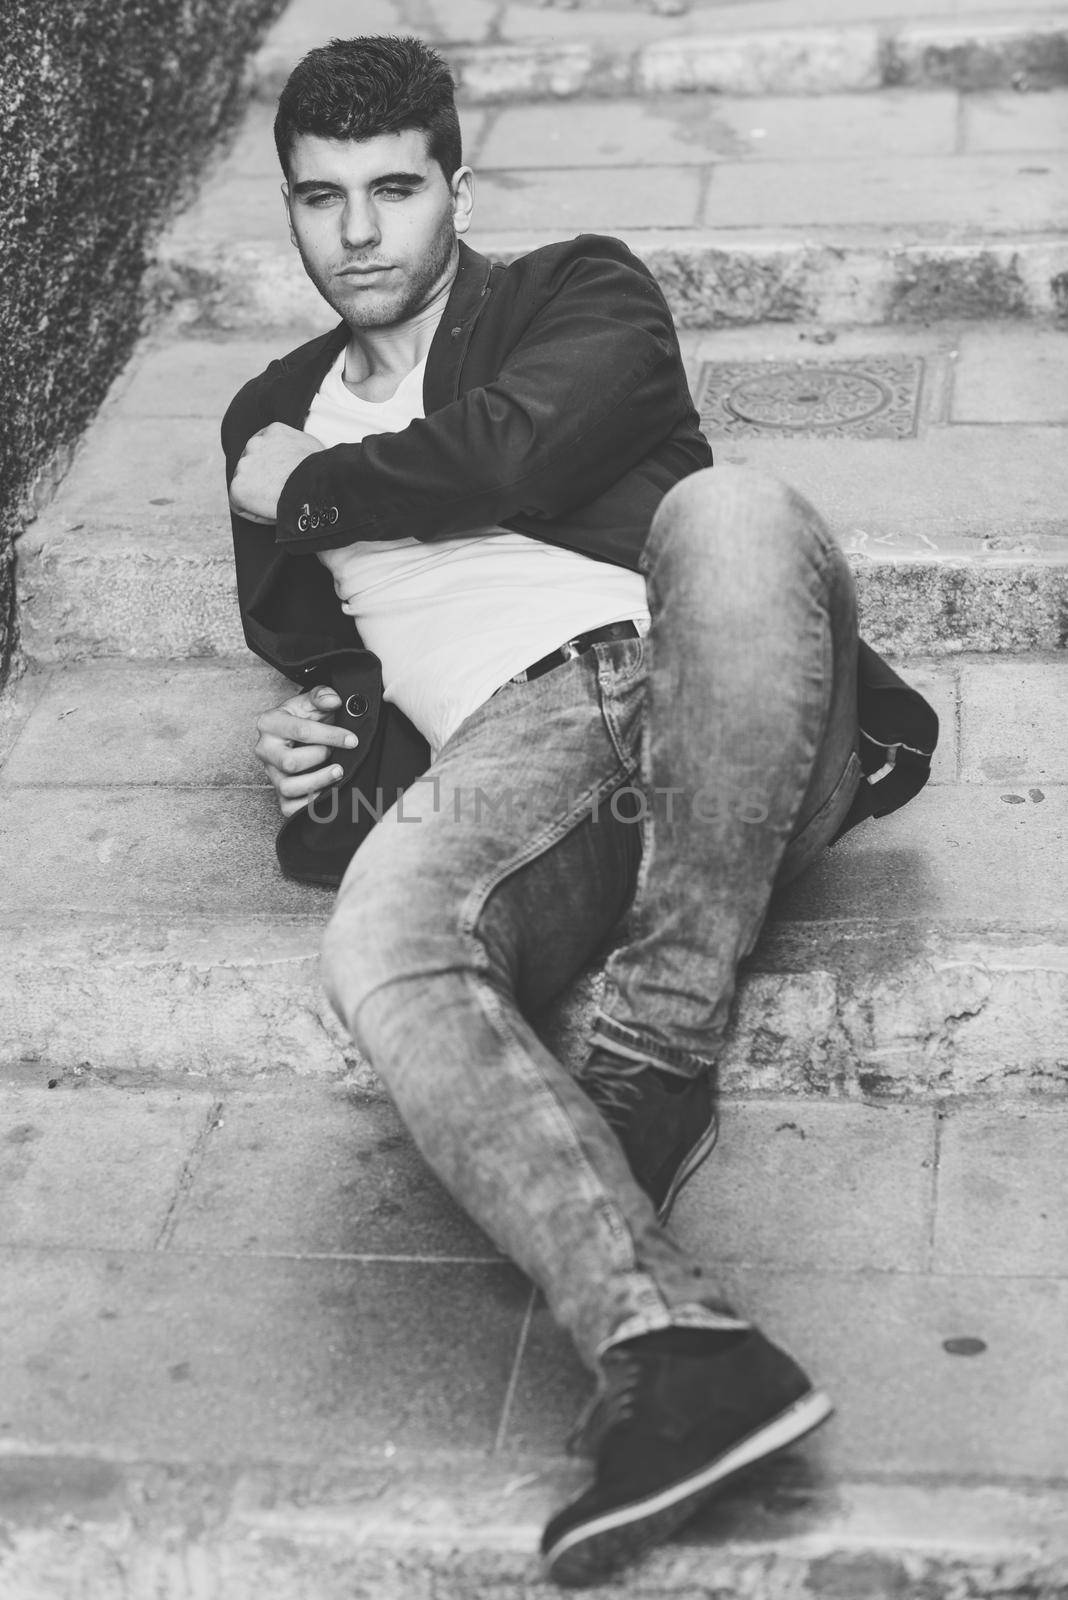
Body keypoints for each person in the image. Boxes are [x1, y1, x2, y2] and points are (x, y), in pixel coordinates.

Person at [223, 35, 935, 1587]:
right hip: (519, 752)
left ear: (455, 189)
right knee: (382, 937)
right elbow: (333, 651)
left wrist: (315, 486)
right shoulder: (265, 414)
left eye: (395, 190)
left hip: (723, 693)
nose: (358, 232)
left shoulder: (575, 293)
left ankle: (655, 1051)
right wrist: (320, 748)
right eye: (322, 198)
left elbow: (514, 448)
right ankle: (676, 1353)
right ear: (287, 208)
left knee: (732, 510)